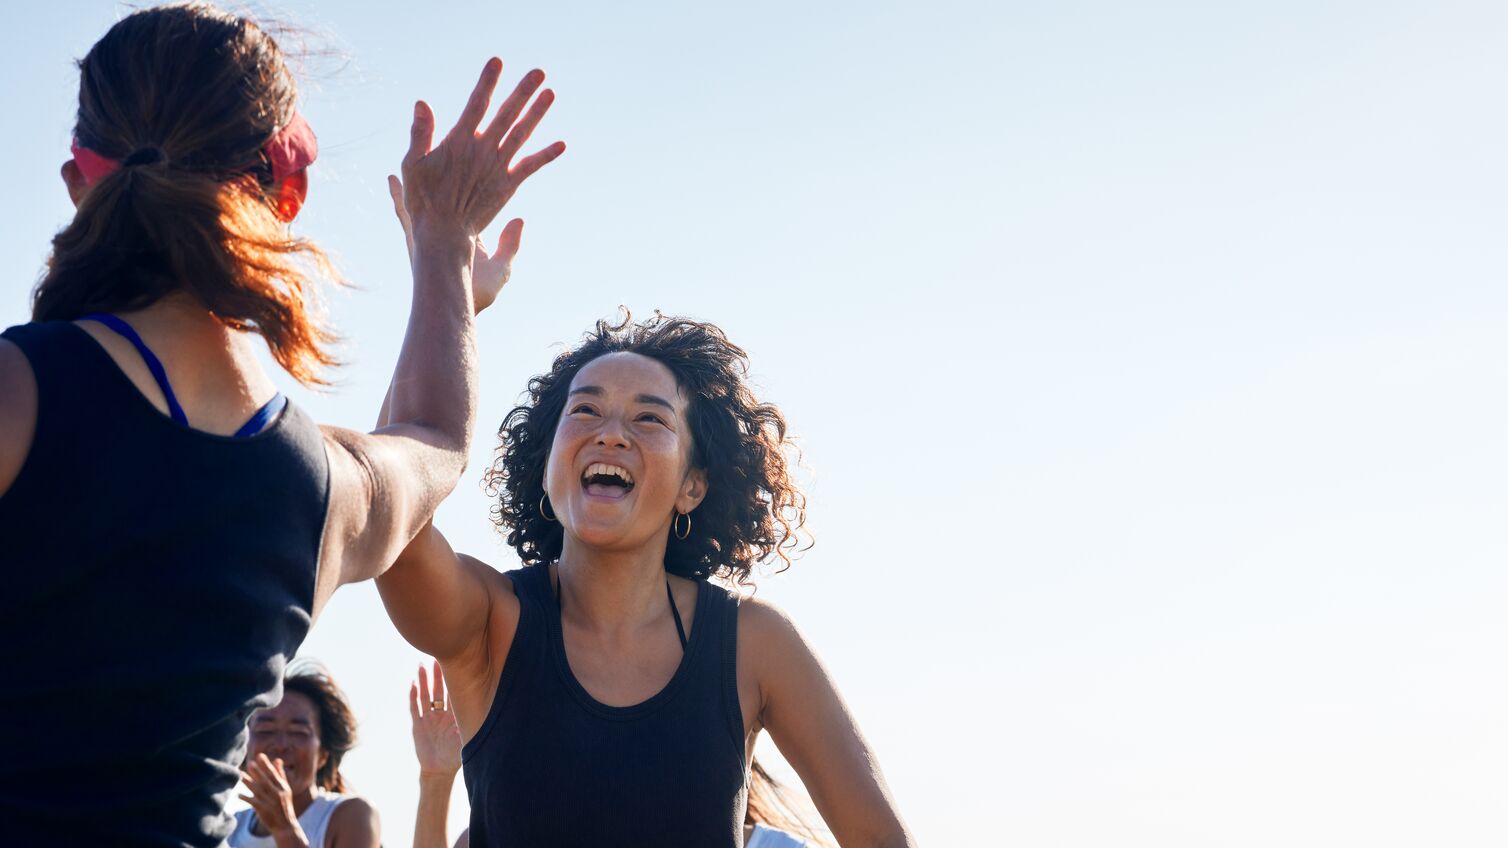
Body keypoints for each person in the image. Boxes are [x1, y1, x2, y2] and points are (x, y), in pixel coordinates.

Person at [0, 4, 563, 844]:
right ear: (287, 194)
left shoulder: (19, 391)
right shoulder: (318, 486)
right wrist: (442, 245)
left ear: (80, 187)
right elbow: (433, 437)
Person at [373, 187, 914, 845]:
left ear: (693, 486)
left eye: (650, 419)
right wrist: (448, 295)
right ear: (547, 464)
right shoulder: (491, 620)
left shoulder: (756, 645)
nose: (610, 433)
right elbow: (388, 513)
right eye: (585, 410)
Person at [232, 665, 380, 848]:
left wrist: (284, 829)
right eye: (265, 730)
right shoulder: (229, 829)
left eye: (298, 732)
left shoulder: (351, 814)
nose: (281, 745)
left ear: (323, 755)